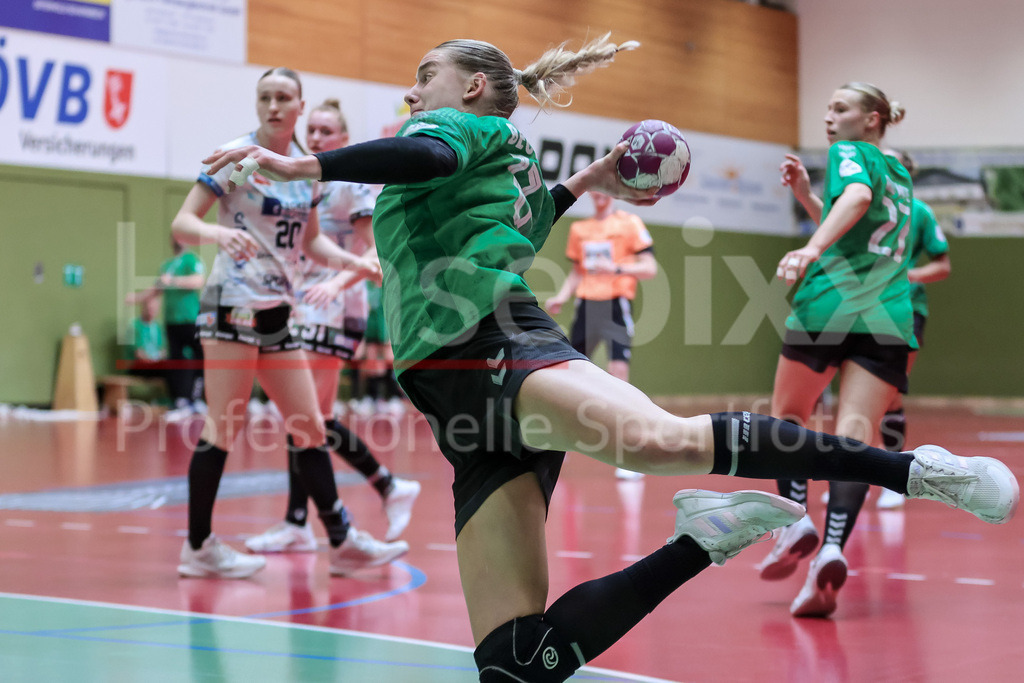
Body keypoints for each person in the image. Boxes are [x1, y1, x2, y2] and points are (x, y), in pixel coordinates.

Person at [204, 43, 1017, 681]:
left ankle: (916, 470)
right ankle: (703, 538)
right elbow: (520, 224)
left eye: (428, 76)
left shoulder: (447, 130)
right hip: (451, 401)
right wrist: (588, 179)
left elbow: (423, 156)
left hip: (491, 342)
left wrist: (308, 163)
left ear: (475, 88)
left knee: (654, 441)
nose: (415, 93)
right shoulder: (502, 157)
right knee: (512, 662)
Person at [170, 67, 409, 579]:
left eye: (283, 98)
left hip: (278, 311)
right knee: (224, 427)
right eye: (265, 97)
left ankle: (342, 542)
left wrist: (356, 263)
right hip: (232, 305)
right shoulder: (239, 158)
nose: (273, 106)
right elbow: (183, 222)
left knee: (309, 427)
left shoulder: (303, 170)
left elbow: (312, 243)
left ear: (300, 106)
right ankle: (198, 546)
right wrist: (216, 235)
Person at [755, 83, 933, 618]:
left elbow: (854, 201)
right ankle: (831, 549)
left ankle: (795, 522)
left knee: (789, 416)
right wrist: (809, 197)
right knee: (855, 435)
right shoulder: (900, 175)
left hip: (832, 303)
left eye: (840, 109)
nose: (828, 119)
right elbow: (858, 223)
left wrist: (809, 247)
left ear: (871, 118)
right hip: (890, 314)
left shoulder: (850, 152)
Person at [244, 98, 420, 554]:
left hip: (337, 308)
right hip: (305, 305)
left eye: (328, 132)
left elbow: (375, 251)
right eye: (315, 130)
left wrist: (337, 283)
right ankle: (306, 517)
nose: (318, 137)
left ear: (342, 139)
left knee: (305, 418)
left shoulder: (352, 186)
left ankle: (376, 490)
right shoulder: (304, 183)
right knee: (305, 419)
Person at [545, 190, 656, 479]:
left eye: (606, 190)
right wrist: (561, 295)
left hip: (616, 305)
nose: (600, 195)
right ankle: (562, 442)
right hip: (586, 306)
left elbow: (649, 268)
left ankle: (628, 454)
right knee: (570, 372)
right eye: (595, 190)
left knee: (618, 373)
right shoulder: (580, 229)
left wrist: (616, 268)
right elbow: (576, 272)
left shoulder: (629, 223)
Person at [875, 148, 952, 509]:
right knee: (854, 401)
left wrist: (909, 274)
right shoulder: (861, 206)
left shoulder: (919, 213)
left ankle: (894, 480)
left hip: (904, 310)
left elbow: (942, 265)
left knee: (890, 394)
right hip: (859, 308)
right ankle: (850, 475)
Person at [126, 237, 206, 414]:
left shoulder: (191, 260)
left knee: (199, 357)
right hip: (172, 321)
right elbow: (157, 289)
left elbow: (198, 281)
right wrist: (138, 298)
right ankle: (180, 400)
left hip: (190, 319)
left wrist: (174, 281)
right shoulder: (166, 265)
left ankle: (197, 398)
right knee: (176, 360)